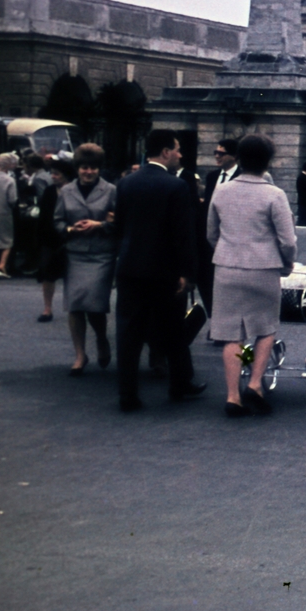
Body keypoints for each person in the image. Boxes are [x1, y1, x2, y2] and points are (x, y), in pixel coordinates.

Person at [205, 134, 297, 418]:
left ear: (240, 159)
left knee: (232, 333)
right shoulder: (274, 195)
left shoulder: (221, 191)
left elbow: (211, 233)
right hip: (263, 268)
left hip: (227, 268)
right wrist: (287, 265)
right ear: (268, 161)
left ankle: (233, 394)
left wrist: (227, 251)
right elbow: (288, 240)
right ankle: (255, 383)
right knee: (265, 328)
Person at [110, 130, 202, 411]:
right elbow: (182, 235)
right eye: (176, 149)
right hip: (165, 272)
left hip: (130, 268)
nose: (180, 155)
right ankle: (179, 384)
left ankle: (127, 394)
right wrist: (187, 273)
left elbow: (119, 227)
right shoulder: (176, 187)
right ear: (165, 152)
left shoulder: (125, 183)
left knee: (129, 333)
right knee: (172, 330)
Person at [55, 144, 119, 374]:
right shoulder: (66, 191)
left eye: (93, 168)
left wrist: (99, 224)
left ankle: (101, 338)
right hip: (75, 254)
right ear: (77, 169)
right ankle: (80, 354)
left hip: (101, 255)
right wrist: (70, 230)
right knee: (74, 305)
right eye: (84, 168)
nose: (88, 172)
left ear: (99, 169)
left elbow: (119, 222)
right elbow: (57, 221)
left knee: (94, 305)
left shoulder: (111, 190)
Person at [195, 138, 240, 315]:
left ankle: (226, 321)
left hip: (231, 238)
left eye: (221, 153)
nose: (216, 156)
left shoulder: (241, 177)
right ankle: (215, 317)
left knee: (229, 284)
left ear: (234, 156)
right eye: (215, 152)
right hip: (209, 239)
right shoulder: (212, 176)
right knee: (206, 279)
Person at [35, 158, 75, 322]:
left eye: (56, 174)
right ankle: (47, 308)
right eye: (52, 173)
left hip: (70, 237)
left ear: (66, 175)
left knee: (72, 275)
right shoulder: (50, 191)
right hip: (50, 238)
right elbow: (44, 216)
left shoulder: (74, 190)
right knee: (48, 275)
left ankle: (74, 307)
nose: (53, 176)